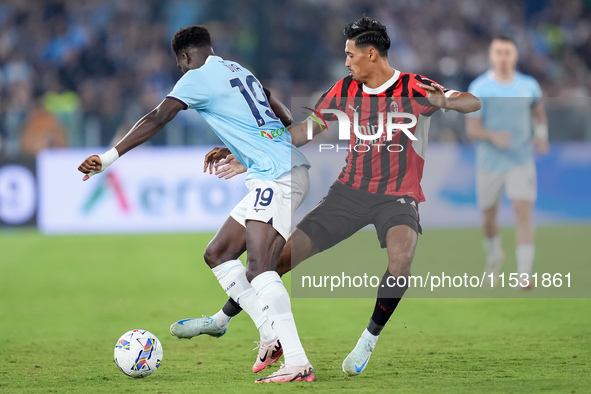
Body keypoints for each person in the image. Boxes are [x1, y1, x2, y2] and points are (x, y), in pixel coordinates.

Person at [173, 16, 481, 376]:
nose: (346, 62)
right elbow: (303, 131)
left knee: (401, 260)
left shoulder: (414, 87)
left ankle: (368, 339)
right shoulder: (345, 90)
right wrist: (248, 153)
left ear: (371, 54)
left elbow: (471, 103)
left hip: (398, 195)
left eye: (351, 55)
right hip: (348, 193)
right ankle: (222, 319)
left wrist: (447, 100)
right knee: (277, 260)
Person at [77, 25, 315, 383]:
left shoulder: (195, 76)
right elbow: (281, 115)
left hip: (276, 175)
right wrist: (240, 146)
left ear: (185, 57)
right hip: (281, 169)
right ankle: (269, 333)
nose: (182, 74)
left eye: (180, 66)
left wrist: (109, 157)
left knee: (261, 269)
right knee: (218, 253)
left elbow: (158, 117)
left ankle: (297, 361)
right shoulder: (238, 69)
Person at [466, 35, 549, 288]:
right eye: (499, 52)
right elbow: (472, 130)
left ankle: (524, 274)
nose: (503, 57)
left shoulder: (529, 85)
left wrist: (542, 136)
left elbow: (538, 113)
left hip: (521, 159)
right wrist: (492, 135)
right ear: (492, 56)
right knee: (489, 218)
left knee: (523, 212)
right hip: (490, 162)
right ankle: (494, 255)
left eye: (508, 52)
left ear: (515, 56)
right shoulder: (479, 88)